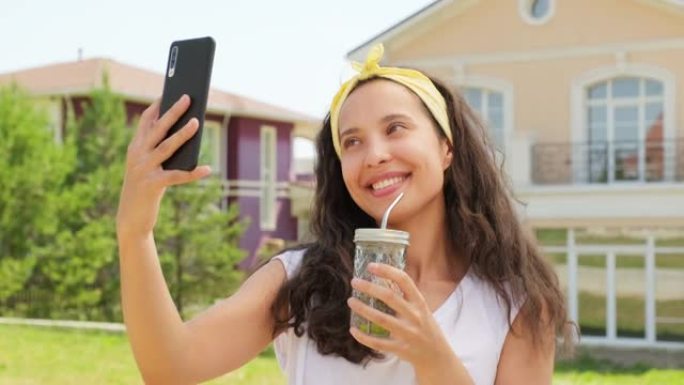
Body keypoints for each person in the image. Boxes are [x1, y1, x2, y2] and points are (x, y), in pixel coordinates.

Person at [116, 44, 573, 385]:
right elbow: (169, 367)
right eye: (351, 142)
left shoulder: (517, 304)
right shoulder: (297, 281)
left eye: (395, 128)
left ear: (446, 146)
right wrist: (135, 232)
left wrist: (432, 357)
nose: (374, 155)